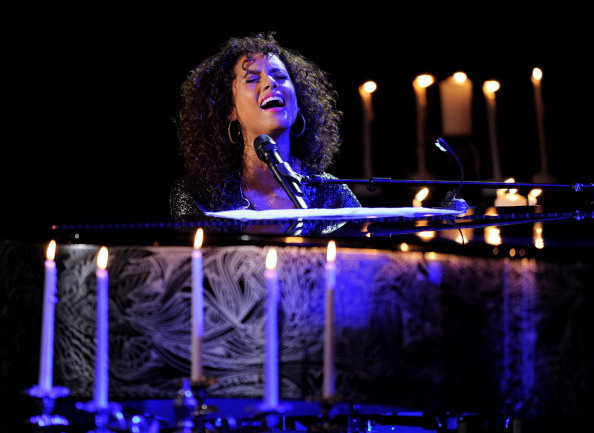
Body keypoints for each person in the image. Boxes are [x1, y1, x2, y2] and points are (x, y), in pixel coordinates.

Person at [169, 32, 361, 222]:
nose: (270, 83)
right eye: (252, 79)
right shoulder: (200, 194)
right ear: (229, 109)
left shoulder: (332, 194)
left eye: (280, 76)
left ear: (298, 102)